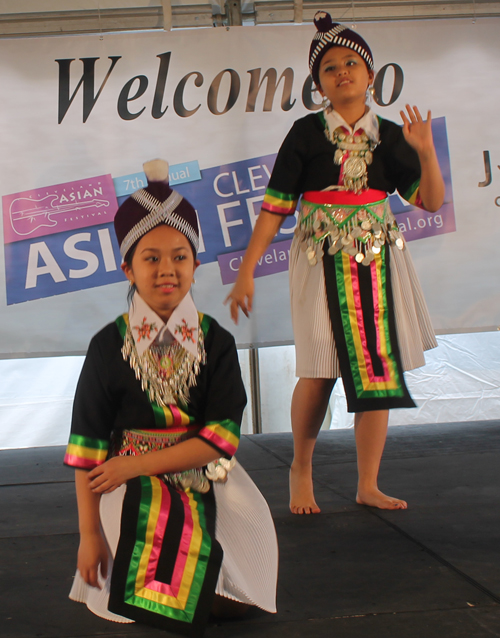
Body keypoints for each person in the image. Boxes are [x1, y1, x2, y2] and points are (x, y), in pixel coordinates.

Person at [226, 12, 445, 514]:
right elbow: (276, 208)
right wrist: (245, 270)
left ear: (371, 75)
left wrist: (426, 154)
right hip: (320, 255)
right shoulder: (304, 133)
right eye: (329, 67)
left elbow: (430, 201)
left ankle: (368, 482)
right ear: (319, 83)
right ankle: (300, 467)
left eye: (351, 62)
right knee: (320, 368)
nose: (341, 71)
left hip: (377, 254)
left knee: (376, 369)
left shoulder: (392, 137)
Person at [64, 159, 278, 637]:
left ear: (196, 264)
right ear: (127, 268)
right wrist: (89, 535)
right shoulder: (107, 346)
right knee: (155, 591)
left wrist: (136, 465)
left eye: (180, 257)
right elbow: (87, 448)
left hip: (200, 474)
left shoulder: (215, 341)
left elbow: (221, 438)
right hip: (125, 486)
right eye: (151, 257)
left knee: (239, 599)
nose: (167, 270)